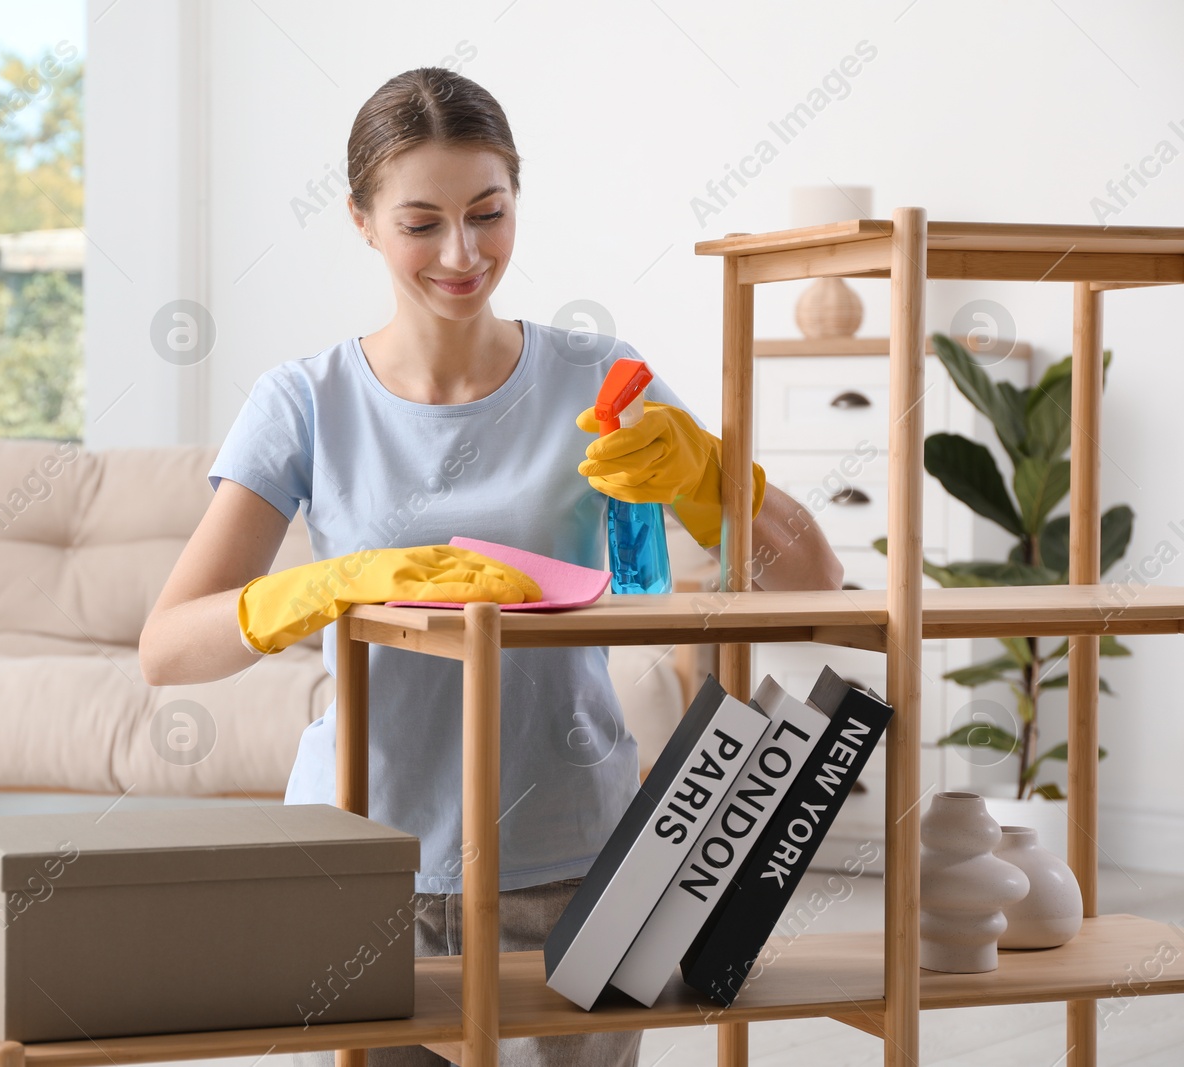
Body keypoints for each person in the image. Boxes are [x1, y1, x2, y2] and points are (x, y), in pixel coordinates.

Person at [139, 66, 843, 1067]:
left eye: (488, 213)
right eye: (421, 222)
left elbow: (817, 583)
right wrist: (325, 584)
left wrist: (708, 475)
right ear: (361, 221)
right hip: (357, 863)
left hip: (577, 864)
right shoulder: (302, 400)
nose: (462, 253)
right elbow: (167, 648)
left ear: (516, 198)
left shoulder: (602, 378)